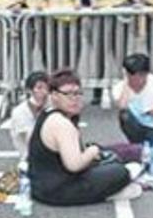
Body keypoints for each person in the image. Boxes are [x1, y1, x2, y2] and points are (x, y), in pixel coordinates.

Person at [30, 69, 133, 206]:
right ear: (54, 95)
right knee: (121, 172)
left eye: (78, 93)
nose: (74, 99)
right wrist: (92, 152)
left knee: (104, 158)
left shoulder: (47, 114)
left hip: (40, 187)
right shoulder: (62, 124)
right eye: (67, 94)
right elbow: (74, 165)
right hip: (58, 191)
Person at [113, 53, 153, 152]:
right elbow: (122, 106)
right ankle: (137, 146)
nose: (136, 80)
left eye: (140, 75)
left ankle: (150, 148)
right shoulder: (120, 87)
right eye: (130, 76)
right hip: (137, 126)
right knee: (124, 115)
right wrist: (126, 83)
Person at [10, 71, 49, 158]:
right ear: (29, 90)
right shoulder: (19, 112)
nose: (44, 92)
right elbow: (27, 138)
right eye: (39, 88)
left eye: (47, 88)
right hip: (29, 156)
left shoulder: (53, 107)